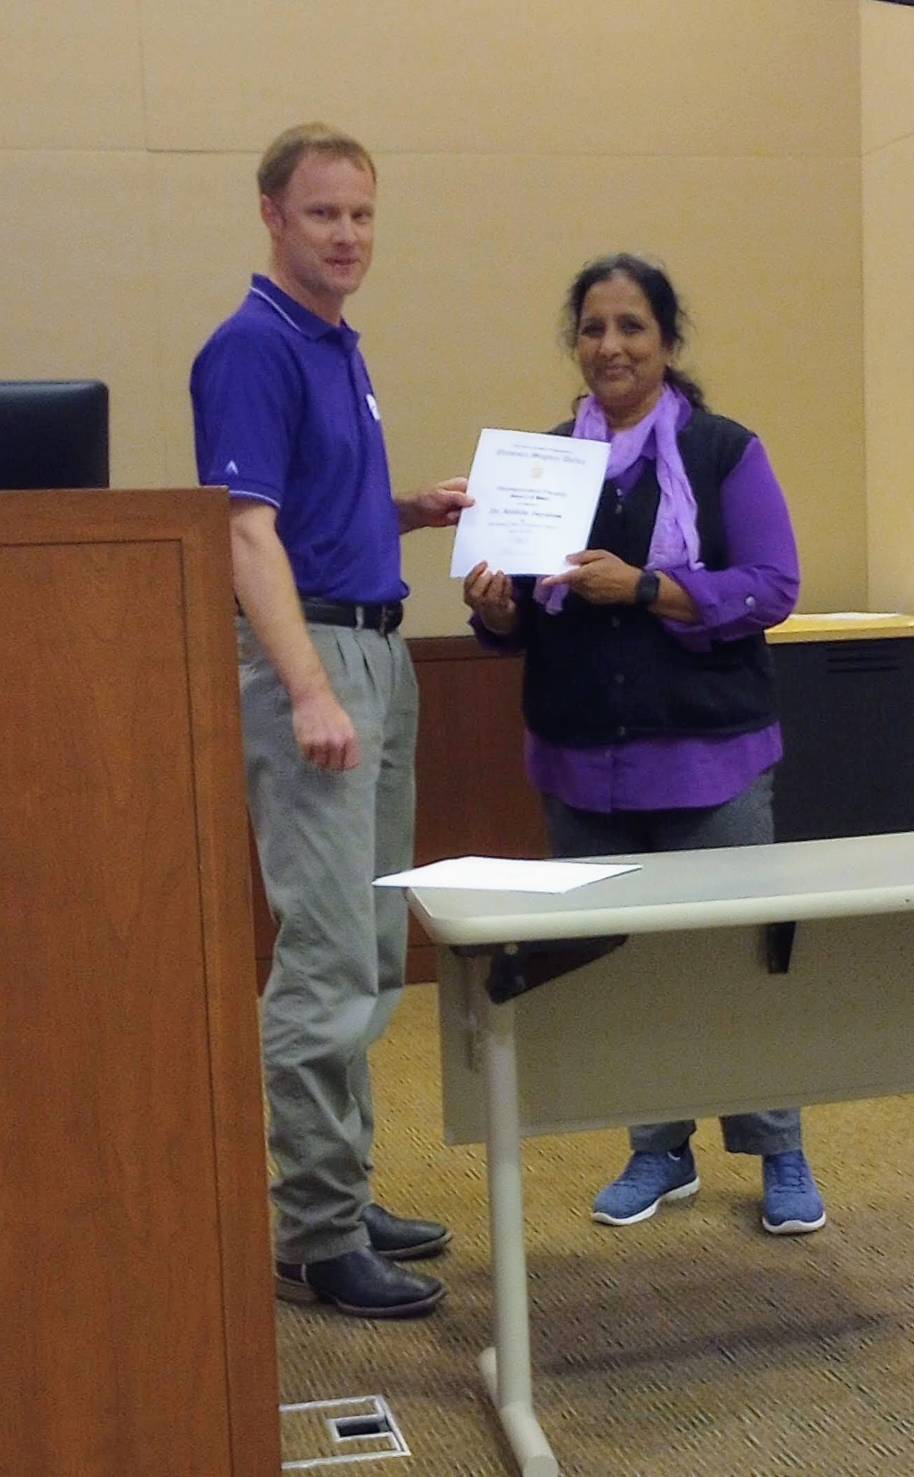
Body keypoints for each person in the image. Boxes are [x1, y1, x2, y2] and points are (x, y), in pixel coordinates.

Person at [463, 253, 825, 1237]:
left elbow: (772, 585)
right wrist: (493, 610)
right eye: (592, 328)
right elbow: (515, 623)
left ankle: (778, 1145)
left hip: (710, 760)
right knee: (619, 972)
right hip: (582, 765)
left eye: (630, 327)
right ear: (573, 344)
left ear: (667, 342)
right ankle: (656, 1149)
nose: (609, 346)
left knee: (735, 963)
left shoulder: (721, 451)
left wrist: (651, 588)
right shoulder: (537, 467)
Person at [190, 122, 472, 1317]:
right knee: (320, 954)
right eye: (322, 214)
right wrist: (306, 686)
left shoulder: (336, 346)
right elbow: (245, 534)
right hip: (314, 659)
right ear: (271, 214)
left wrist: (408, 508)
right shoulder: (251, 347)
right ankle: (313, 1235)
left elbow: (304, 510)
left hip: (375, 643)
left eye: (361, 214)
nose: (347, 235)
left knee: (368, 948)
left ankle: (342, 1194)